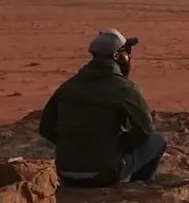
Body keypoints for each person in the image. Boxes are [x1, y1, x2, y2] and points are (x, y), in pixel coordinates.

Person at [39, 29, 166, 186]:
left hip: (66, 173)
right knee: (157, 141)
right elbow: (145, 131)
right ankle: (137, 188)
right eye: (126, 52)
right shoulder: (125, 88)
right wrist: (120, 144)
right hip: (104, 174)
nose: (129, 56)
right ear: (116, 56)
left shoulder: (69, 86)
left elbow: (45, 128)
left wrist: (73, 145)